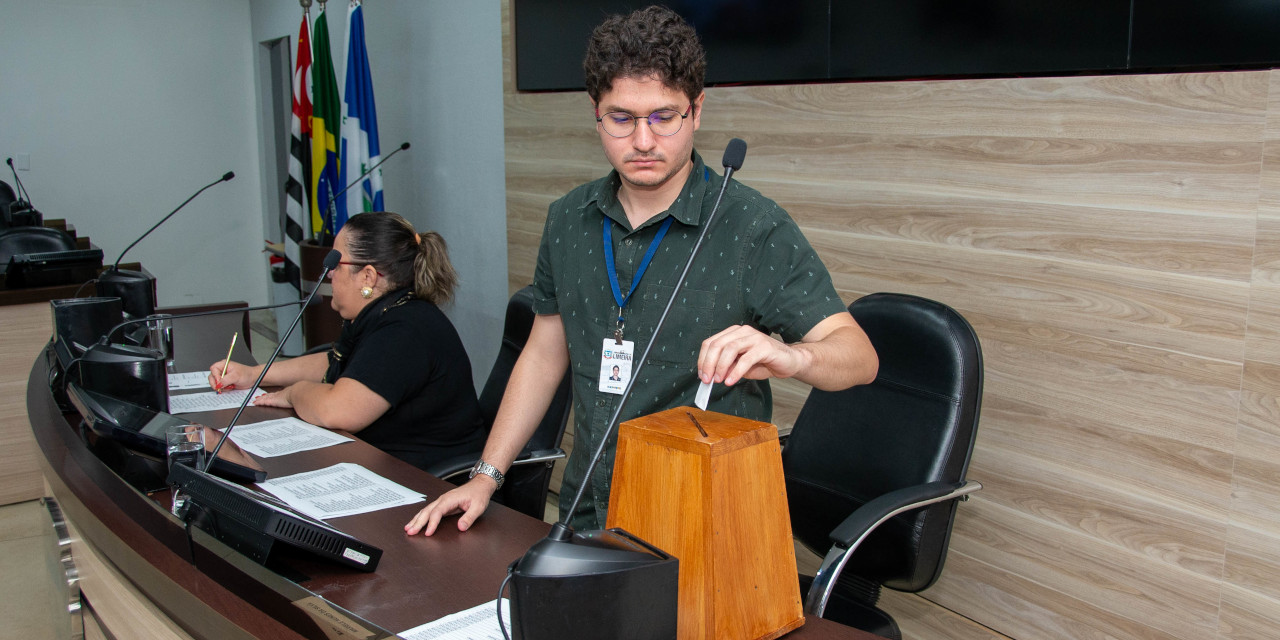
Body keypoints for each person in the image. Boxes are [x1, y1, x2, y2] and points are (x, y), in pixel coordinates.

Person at [406, 5, 877, 535]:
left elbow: (859, 358)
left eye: (664, 116)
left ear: (696, 111)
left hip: (711, 524)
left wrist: (792, 356)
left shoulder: (752, 226)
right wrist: (486, 477)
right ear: (596, 112)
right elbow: (542, 355)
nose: (644, 141)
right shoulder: (568, 218)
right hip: (591, 507)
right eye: (622, 118)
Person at [210, 211, 486, 470]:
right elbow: (337, 361)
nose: (329, 274)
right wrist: (254, 374)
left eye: (336, 264)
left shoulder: (406, 329)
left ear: (367, 276)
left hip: (425, 481)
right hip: (380, 462)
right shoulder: (385, 311)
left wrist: (295, 392)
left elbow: (337, 411)